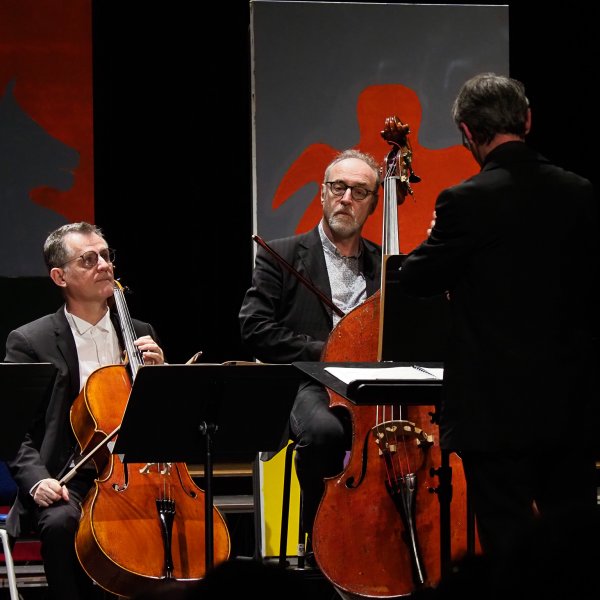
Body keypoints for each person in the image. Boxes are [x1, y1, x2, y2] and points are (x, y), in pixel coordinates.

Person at [397, 73, 598, 561]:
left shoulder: (465, 202)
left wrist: (439, 244)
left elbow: (415, 279)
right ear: (528, 120)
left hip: (495, 412)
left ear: (467, 132)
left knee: (508, 550)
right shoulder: (582, 193)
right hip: (572, 409)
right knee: (572, 545)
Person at [4, 221, 166, 600]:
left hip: (134, 472)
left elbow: (157, 418)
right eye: (89, 259)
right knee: (61, 524)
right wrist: (37, 480)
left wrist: (160, 379)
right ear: (60, 276)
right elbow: (13, 429)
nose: (104, 265)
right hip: (65, 475)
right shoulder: (30, 340)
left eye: (107, 256)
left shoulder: (140, 332)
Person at [239, 148, 382, 549]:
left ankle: (387, 531)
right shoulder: (281, 254)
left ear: (373, 202)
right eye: (338, 187)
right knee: (323, 432)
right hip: (308, 382)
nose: (346, 198)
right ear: (322, 194)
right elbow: (254, 327)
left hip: (371, 385)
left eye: (359, 191)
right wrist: (328, 350)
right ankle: (320, 536)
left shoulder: (385, 264)